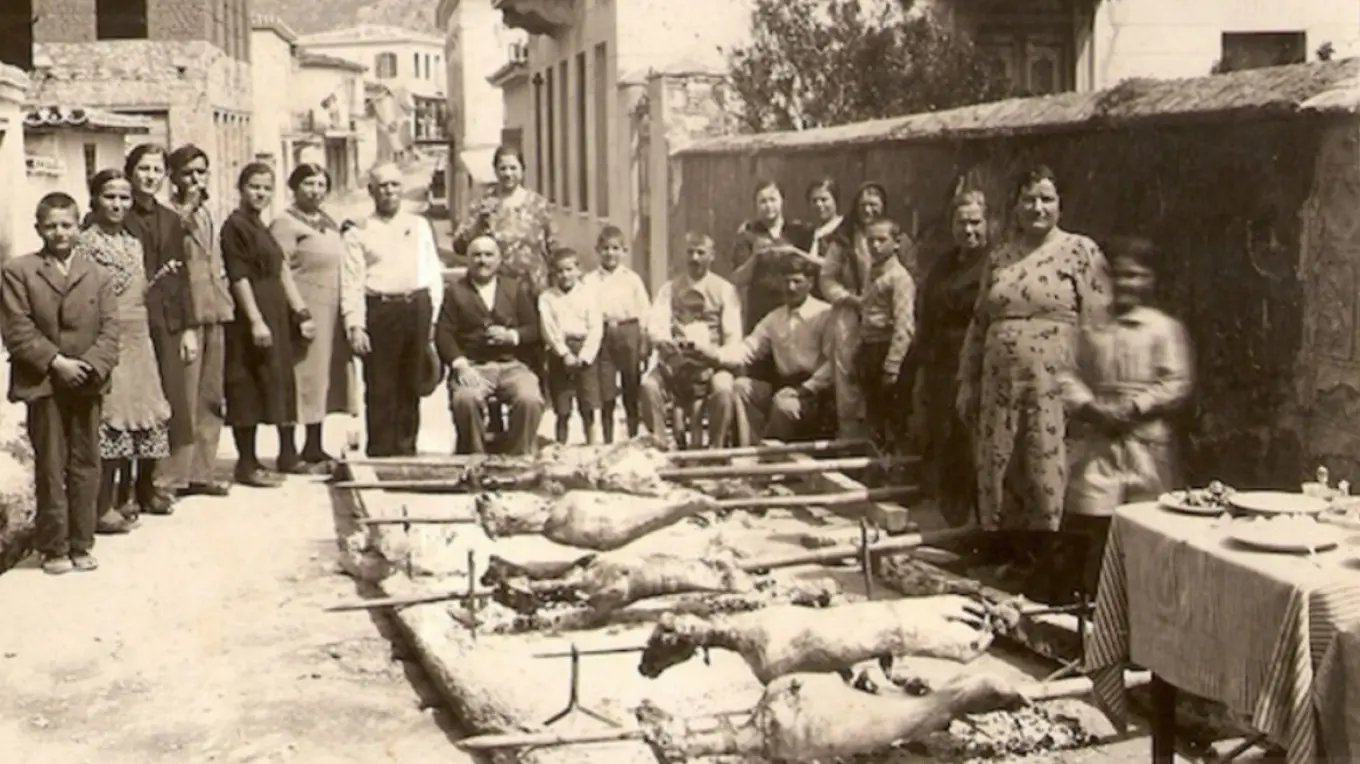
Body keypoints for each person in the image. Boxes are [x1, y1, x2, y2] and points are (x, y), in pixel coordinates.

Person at [956, 165, 1110, 543]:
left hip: (1053, 386)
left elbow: (1100, 325)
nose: (1037, 207)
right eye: (1028, 199)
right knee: (999, 465)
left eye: (1046, 199)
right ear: (1015, 205)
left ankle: (1046, 556)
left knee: (1046, 467)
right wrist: (967, 382)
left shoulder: (1080, 251)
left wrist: (1093, 389)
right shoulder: (1000, 256)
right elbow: (979, 324)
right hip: (999, 386)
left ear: (1060, 204)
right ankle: (1005, 552)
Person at [1060, 236, 1193, 595]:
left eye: (1134, 275)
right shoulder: (1090, 326)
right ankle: (1091, 606)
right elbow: (1066, 373)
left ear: (1149, 279)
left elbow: (1176, 381)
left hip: (1145, 443)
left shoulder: (1163, 329)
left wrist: (1137, 406)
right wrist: (1090, 407)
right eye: (1117, 275)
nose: (1125, 284)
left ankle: (1142, 605)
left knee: (1146, 526)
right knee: (1092, 524)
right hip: (1100, 442)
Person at [0, 193, 120, 574]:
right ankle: (54, 546)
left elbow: (111, 330)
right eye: (51, 225)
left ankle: (82, 542)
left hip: (86, 382)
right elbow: (17, 329)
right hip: (44, 383)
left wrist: (90, 366)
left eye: (66, 225)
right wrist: (57, 363)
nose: (59, 232)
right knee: (51, 464)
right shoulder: (18, 272)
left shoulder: (98, 275)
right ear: (38, 229)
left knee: (86, 463)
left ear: (79, 227)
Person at [78, 169, 176, 533]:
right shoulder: (85, 243)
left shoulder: (133, 242)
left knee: (141, 414)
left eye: (124, 197)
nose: (117, 204)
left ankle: (129, 496)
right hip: (107, 338)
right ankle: (101, 507)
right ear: (95, 199)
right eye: (109, 196)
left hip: (138, 337)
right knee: (111, 419)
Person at [341, 162, 445, 457]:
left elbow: (432, 271)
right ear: (371, 191)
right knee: (380, 386)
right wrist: (355, 325)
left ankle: (406, 451)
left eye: (394, 185)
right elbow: (351, 280)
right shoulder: (358, 231)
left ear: (402, 188)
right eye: (382, 186)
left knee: (411, 385)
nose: (389, 191)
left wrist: (433, 317)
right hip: (380, 310)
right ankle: (380, 453)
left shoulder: (419, 225)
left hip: (416, 307)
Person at [221, 162, 315, 486]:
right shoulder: (234, 226)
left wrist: (300, 311)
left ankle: (288, 455)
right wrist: (256, 320)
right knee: (248, 385)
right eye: (254, 187)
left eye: (266, 188)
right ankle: (247, 464)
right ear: (241, 189)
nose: (260, 193)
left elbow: (281, 270)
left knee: (279, 381)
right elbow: (239, 277)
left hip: (276, 311)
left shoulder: (261, 226)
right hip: (252, 314)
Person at [120, 143, 195, 516]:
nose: (150, 176)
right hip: (128, 322)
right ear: (130, 171)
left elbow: (181, 276)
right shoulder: (115, 212)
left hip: (165, 324)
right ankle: (122, 491)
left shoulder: (170, 219)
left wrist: (188, 328)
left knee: (160, 402)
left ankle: (148, 484)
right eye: (143, 169)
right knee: (127, 404)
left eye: (156, 170)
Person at [695, 253, 833, 444]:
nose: (790, 288)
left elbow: (831, 365)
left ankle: (769, 452)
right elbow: (748, 349)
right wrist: (714, 354)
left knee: (783, 405)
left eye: (797, 281)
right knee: (741, 386)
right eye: (786, 282)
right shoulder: (775, 318)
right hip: (782, 386)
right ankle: (750, 448)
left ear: (810, 283)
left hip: (813, 392)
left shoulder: (824, 314)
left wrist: (804, 389)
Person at [913, 189, 990, 528]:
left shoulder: (996, 262)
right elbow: (926, 316)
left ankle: (981, 526)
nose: (968, 230)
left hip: (979, 368)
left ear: (988, 223)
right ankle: (954, 524)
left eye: (975, 222)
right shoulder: (943, 265)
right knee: (946, 443)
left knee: (973, 446)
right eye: (961, 223)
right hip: (941, 368)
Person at [270, 163, 354, 472]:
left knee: (321, 379)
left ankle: (314, 446)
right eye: (308, 183)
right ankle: (287, 452)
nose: (315, 190)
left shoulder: (327, 222)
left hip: (330, 312)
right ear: (294, 187)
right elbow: (280, 270)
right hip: (301, 312)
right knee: (297, 379)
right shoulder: (284, 223)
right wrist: (299, 311)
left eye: (321, 184)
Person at [163, 143, 236, 498]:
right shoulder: (170, 213)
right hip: (186, 313)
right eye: (187, 173)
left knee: (210, 395)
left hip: (213, 309)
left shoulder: (208, 212)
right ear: (173, 177)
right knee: (184, 396)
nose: (195, 179)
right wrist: (188, 206)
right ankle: (172, 477)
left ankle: (201, 472)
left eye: (201, 172)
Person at [819, 182, 913, 440]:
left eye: (874, 205)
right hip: (851, 312)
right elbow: (826, 278)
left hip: (887, 317)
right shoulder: (844, 237)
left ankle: (880, 443)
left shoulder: (897, 239)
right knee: (850, 374)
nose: (868, 210)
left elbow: (909, 277)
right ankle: (851, 437)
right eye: (863, 205)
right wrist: (849, 298)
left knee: (884, 387)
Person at [436, 235, 546, 455]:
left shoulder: (515, 289)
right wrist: (460, 365)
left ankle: (518, 456)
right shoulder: (455, 292)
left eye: (488, 255)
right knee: (465, 399)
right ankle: (474, 458)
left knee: (530, 399)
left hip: (512, 366)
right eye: (476, 255)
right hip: (474, 366)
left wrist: (512, 336)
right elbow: (443, 334)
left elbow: (534, 328)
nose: (482, 261)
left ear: (499, 259)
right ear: (468, 260)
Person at [638, 232, 744, 447]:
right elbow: (656, 325)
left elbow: (733, 338)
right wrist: (665, 342)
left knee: (723, 389)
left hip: (711, 363)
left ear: (712, 256)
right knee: (649, 386)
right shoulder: (669, 289)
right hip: (677, 362)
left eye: (701, 253)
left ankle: (716, 449)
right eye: (690, 252)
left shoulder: (724, 290)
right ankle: (660, 444)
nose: (694, 258)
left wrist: (715, 355)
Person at [451, 145, 558, 294]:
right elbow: (459, 246)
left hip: (533, 288)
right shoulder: (483, 205)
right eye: (503, 168)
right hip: (494, 289)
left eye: (513, 168)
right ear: (495, 171)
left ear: (522, 169)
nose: (508, 173)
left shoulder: (538, 205)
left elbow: (554, 249)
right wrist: (479, 222)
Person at [582, 225, 650, 443]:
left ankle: (632, 435)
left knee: (631, 386)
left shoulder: (632, 279)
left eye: (615, 248)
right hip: (602, 335)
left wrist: (644, 342)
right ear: (597, 250)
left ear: (624, 251)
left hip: (629, 332)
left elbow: (644, 311)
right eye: (605, 248)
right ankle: (608, 438)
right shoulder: (589, 280)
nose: (610, 253)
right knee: (606, 389)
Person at [856, 217, 917, 451]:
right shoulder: (872, 272)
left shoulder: (899, 278)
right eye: (870, 240)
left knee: (894, 416)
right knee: (873, 415)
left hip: (887, 350)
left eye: (882, 240)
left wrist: (892, 364)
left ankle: (896, 463)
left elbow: (904, 325)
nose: (875, 246)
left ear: (896, 242)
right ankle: (876, 461)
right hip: (870, 349)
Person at [538, 248, 602, 444]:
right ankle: (561, 446)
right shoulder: (547, 298)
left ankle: (592, 445)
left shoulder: (589, 294)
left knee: (588, 405)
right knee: (562, 407)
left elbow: (596, 328)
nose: (564, 275)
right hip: (560, 352)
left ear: (578, 270)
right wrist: (564, 353)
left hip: (584, 350)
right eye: (559, 271)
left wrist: (585, 356)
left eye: (569, 270)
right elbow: (548, 329)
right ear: (553, 273)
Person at [731, 181, 813, 332]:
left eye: (773, 199)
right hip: (761, 309)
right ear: (755, 205)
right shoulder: (748, 234)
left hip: (794, 307)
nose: (768, 206)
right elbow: (738, 279)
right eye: (763, 201)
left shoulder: (799, 231)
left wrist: (793, 251)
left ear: (782, 201)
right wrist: (755, 257)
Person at [804, 178, 843, 268]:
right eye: (814, 201)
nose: (819, 204)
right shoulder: (808, 234)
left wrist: (798, 253)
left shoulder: (845, 229)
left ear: (835, 200)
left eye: (824, 199)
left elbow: (836, 265)